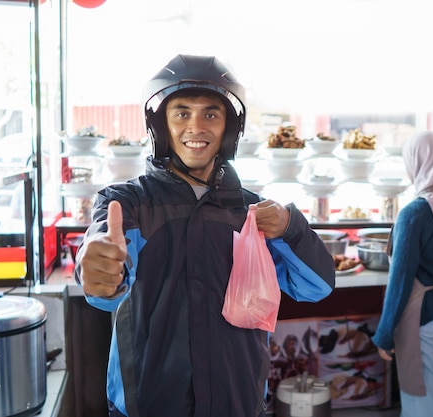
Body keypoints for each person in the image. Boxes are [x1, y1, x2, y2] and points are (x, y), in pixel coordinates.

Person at [74, 54, 336, 417]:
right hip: (149, 404)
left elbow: (316, 287)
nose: (196, 126)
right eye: (181, 113)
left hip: (237, 401)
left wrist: (291, 227)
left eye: (211, 114)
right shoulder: (127, 203)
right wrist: (98, 270)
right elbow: (105, 284)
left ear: (229, 128)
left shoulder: (252, 213)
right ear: (160, 126)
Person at [371, 131, 433, 417]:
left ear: (418, 162)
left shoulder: (415, 212)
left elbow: (400, 279)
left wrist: (384, 334)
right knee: (430, 379)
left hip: (420, 312)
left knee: (420, 389)